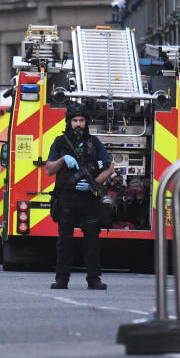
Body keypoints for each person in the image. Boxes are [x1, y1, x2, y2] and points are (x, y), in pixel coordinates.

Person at [45, 102, 114, 290]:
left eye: (81, 120)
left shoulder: (95, 143)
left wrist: (95, 183)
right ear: (69, 122)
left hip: (89, 199)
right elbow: (49, 170)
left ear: (86, 122)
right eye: (74, 120)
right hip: (66, 199)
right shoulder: (60, 143)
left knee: (92, 241)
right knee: (64, 241)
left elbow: (109, 166)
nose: (78, 124)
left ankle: (94, 279)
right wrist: (62, 159)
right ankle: (61, 280)